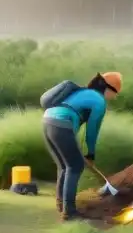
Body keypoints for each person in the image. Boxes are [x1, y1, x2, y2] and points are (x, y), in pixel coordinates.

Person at [42, 71, 123, 221]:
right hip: (61, 123)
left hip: (47, 121)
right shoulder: (99, 101)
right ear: (109, 89)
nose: (114, 97)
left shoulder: (84, 93)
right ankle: (70, 212)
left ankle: (62, 205)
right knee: (75, 167)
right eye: (115, 93)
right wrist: (90, 154)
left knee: (64, 166)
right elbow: (92, 131)